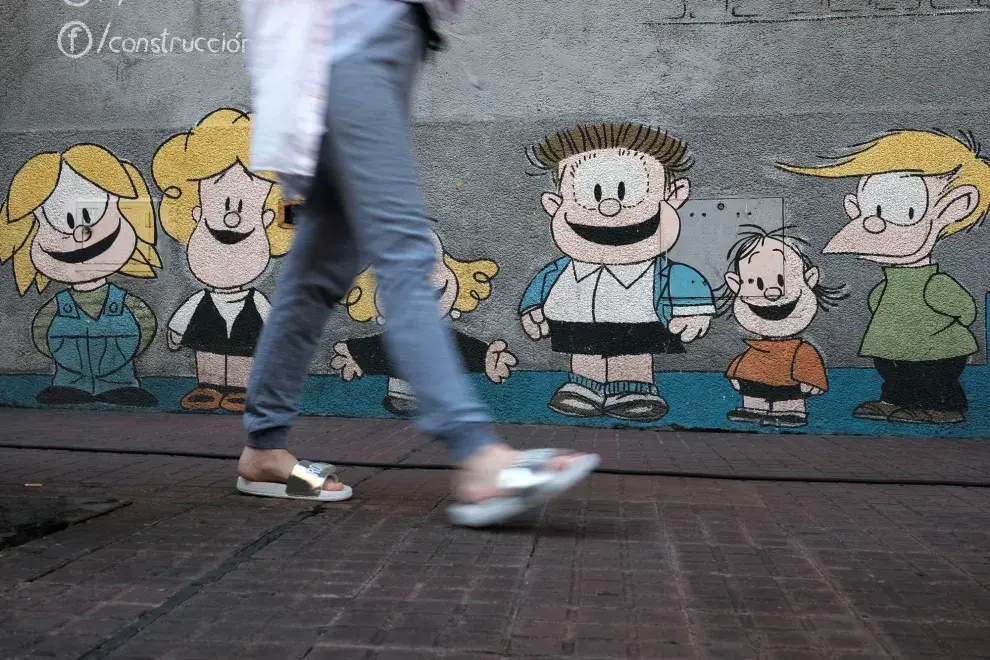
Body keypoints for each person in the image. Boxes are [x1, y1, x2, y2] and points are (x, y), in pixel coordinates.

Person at [235, 0, 598, 526]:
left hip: (367, 48)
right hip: (346, 48)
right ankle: (478, 455)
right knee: (405, 254)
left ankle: (264, 451)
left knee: (316, 275)